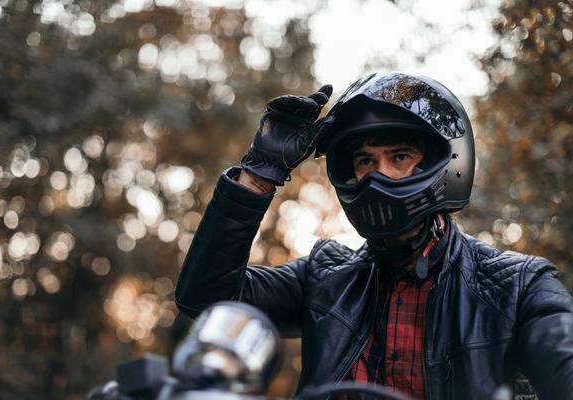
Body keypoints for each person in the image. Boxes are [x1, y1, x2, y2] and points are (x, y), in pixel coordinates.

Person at [174, 72, 573, 400]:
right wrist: (259, 173)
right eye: (366, 161)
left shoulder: (517, 287)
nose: (379, 175)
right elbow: (207, 297)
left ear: (442, 161)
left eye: (399, 157)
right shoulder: (325, 277)